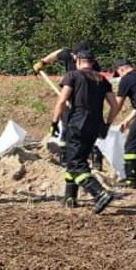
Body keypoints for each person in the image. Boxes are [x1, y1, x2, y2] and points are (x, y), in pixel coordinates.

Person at [48, 50, 116, 213]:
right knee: (79, 159)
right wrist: (107, 123)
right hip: (95, 124)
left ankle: (99, 193)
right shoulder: (102, 79)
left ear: (78, 61)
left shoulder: (72, 76)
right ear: (92, 63)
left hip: (77, 123)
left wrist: (54, 122)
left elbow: (62, 101)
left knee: (74, 162)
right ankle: (70, 198)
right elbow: (114, 105)